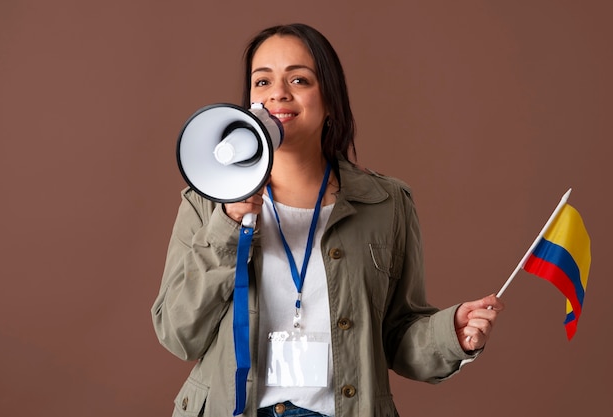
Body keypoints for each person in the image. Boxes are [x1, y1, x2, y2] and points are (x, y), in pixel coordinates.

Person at [152, 23, 504, 417]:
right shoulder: (208, 202)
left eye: (298, 79)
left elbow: (396, 334)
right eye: (262, 81)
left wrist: (449, 335)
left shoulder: (387, 203)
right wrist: (228, 225)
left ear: (331, 100)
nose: (277, 94)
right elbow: (179, 334)